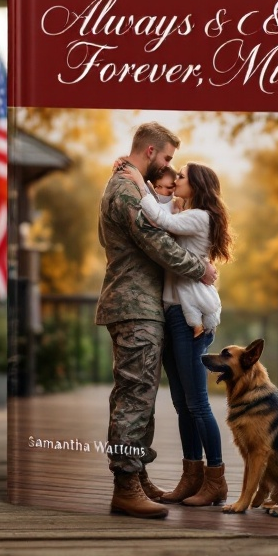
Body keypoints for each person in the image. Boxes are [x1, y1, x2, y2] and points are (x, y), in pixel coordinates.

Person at [96, 122, 217, 520]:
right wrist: (198, 268)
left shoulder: (135, 186)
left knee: (140, 395)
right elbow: (155, 239)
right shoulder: (127, 188)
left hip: (142, 305)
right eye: (166, 158)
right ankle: (126, 486)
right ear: (150, 152)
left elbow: (157, 217)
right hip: (134, 306)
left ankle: (136, 474)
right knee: (134, 397)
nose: (169, 166)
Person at [120, 161, 234, 507]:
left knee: (197, 402)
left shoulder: (199, 217)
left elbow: (160, 219)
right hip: (173, 316)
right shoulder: (187, 211)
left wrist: (138, 180)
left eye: (180, 177)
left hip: (189, 320)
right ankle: (192, 476)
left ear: (196, 186)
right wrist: (152, 188)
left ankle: (215, 479)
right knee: (183, 404)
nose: (175, 180)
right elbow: (162, 206)